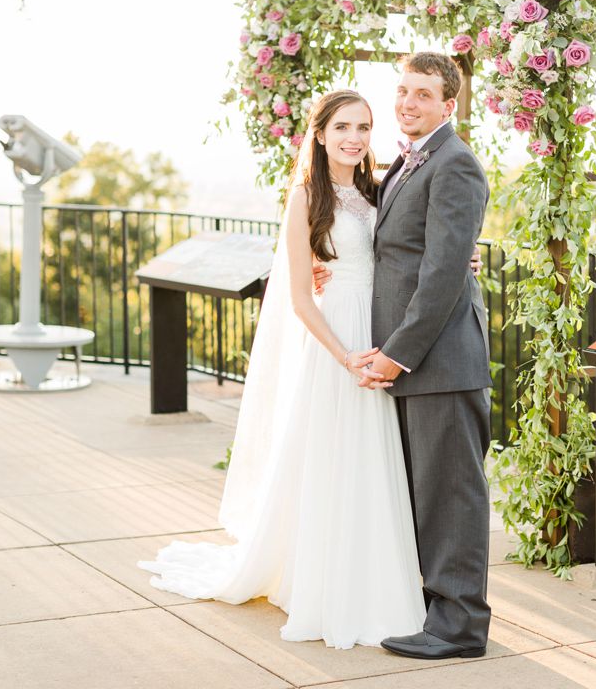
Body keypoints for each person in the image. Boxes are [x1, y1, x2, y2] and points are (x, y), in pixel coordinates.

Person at [138, 89, 426, 649]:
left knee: (373, 457)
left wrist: (460, 255)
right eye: (343, 126)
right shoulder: (305, 198)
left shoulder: (378, 187)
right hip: (337, 340)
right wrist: (344, 356)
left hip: (380, 329)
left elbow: (407, 246)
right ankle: (321, 581)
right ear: (319, 135)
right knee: (332, 456)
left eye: (364, 127)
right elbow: (299, 298)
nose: (355, 138)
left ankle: (375, 577)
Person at [319, 52, 493, 660]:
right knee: (426, 494)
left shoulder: (456, 163)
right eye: (403, 91)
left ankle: (460, 627)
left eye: (423, 93)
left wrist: (398, 355)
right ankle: (432, 610)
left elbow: (443, 275)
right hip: (416, 364)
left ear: (450, 103)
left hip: (440, 363)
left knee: (452, 498)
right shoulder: (408, 161)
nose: (408, 103)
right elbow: (406, 247)